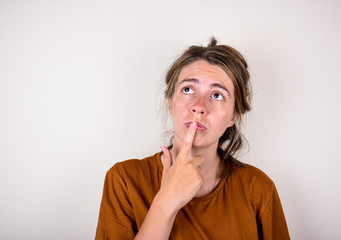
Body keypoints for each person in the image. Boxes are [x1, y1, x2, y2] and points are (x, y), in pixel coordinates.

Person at [95, 37, 290, 239]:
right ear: (170, 103)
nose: (199, 106)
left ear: (234, 116)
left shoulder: (259, 189)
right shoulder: (124, 181)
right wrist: (166, 201)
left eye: (217, 95)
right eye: (188, 89)